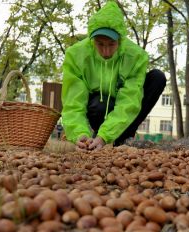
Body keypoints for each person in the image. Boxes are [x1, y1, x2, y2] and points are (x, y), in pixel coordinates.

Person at [61, 1, 166, 151]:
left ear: (120, 40)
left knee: (157, 77)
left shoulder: (135, 56)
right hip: (98, 107)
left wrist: (105, 136)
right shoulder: (76, 55)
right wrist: (79, 133)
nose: (106, 52)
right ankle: (97, 136)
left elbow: (129, 100)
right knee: (99, 104)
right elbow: (73, 102)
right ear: (92, 41)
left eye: (111, 44)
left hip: (122, 107)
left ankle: (124, 136)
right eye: (100, 44)